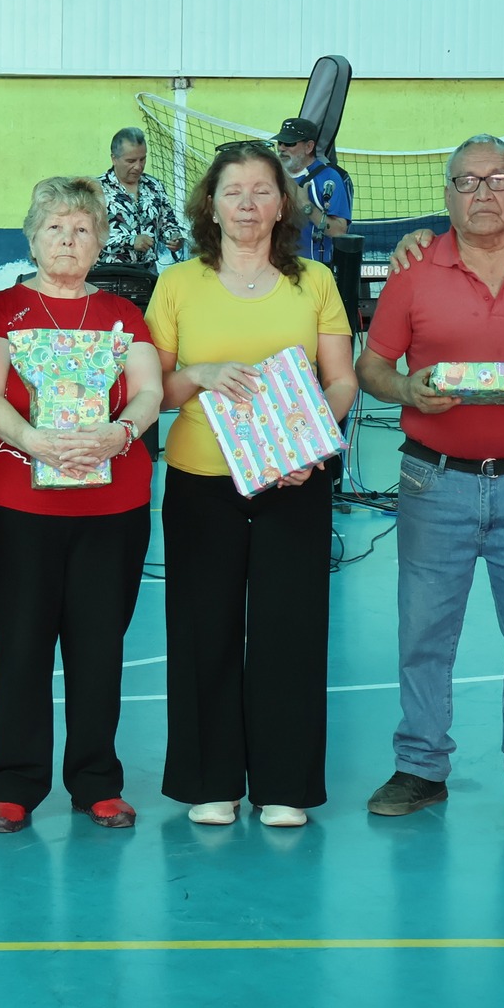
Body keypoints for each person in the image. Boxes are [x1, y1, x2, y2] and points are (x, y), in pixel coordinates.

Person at [354, 135, 504, 832]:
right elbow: (373, 367)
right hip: (434, 481)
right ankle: (422, 765)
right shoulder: (413, 268)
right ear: (447, 194)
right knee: (424, 630)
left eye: (497, 179)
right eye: (466, 181)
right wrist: (405, 386)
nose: (483, 193)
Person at [147, 140, 356, 828]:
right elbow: (155, 390)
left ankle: (284, 782)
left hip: (293, 479)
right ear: (210, 202)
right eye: (232, 190)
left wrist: (310, 444)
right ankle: (213, 780)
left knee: (289, 629)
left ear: (282, 202)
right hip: (201, 479)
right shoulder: (177, 283)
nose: (246, 203)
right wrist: (202, 375)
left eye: (262, 189)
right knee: (203, 626)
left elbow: (342, 378)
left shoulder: (315, 283)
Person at [0, 177, 163, 833]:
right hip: (20, 502)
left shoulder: (123, 315)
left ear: (100, 239)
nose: (68, 239)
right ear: (32, 236)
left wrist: (121, 432)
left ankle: (96, 780)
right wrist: (33, 441)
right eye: (55, 227)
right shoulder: (1, 309)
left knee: (97, 646)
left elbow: (146, 391)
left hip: (112, 506)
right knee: (19, 645)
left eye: (82, 228)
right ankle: (15, 782)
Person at [97, 127, 186, 268]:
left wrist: (175, 238)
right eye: (131, 161)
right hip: (108, 272)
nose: (138, 166)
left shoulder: (154, 186)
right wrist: (130, 241)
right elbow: (87, 237)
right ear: (114, 159)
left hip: (147, 272)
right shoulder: (95, 190)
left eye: (142, 159)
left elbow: (168, 224)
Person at [275, 117, 352, 264]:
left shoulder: (329, 177)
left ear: (309, 147)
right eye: (280, 142)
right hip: (276, 267)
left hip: (312, 269)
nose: (281, 148)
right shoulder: (273, 175)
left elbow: (339, 232)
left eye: (289, 143)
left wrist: (305, 205)